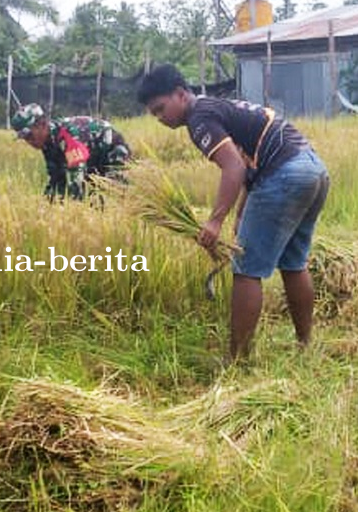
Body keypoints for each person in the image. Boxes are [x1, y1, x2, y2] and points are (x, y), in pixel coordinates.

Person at [136, 63, 330, 360]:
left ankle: (237, 359)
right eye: (154, 115)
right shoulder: (216, 106)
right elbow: (251, 162)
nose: (161, 118)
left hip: (285, 174)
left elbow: (234, 167)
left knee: (245, 269)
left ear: (180, 94)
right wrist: (240, 214)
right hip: (313, 170)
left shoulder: (199, 118)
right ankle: (305, 345)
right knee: (293, 262)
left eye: (161, 109)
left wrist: (215, 221)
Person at [10, 103, 131, 202]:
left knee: (113, 196)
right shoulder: (48, 143)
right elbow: (57, 180)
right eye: (25, 138)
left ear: (42, 124)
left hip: (112, 152)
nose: (29, 142)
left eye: (30, 136)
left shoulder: (68, 137)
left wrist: (72, 213)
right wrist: (45, 207)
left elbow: (77, 182)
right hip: (92, 158)